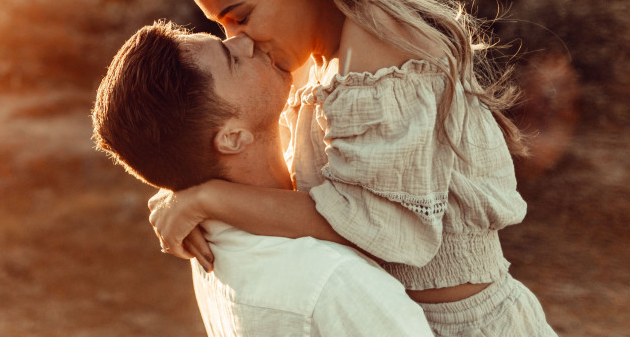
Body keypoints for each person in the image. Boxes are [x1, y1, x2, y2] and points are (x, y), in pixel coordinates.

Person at [147, 0, 557, 336]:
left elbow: (379, 229)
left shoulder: (379, 49)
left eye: (241, 15)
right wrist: (188, 191)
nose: (239, 41)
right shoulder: (314, 62)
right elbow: (310, 198)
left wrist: (209, 199)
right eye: (221, 26)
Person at [92, 21, 434, 336]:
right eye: (230, 57)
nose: (242, 40)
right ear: (232, 137)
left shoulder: (210, 242)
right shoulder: (333, 281)